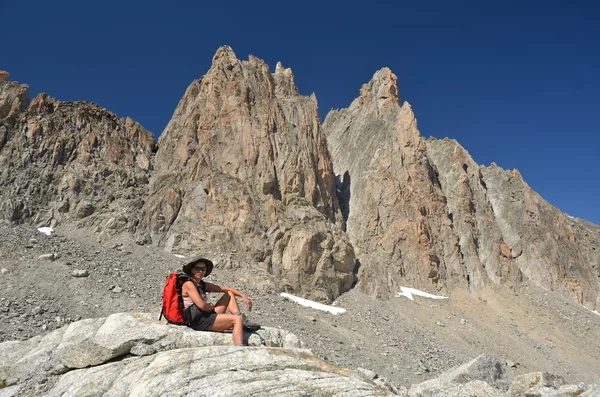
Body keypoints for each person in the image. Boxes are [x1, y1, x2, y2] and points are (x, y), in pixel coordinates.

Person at [181, 256, 260, 346]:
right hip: (198, 320)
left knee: (229, 294)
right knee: (236, 319)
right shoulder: (189, 284)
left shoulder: (202, 284)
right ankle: (239, 347)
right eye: (197, 268)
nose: (201, 271)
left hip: (205, 315)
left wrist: (243, 295)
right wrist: (210, 306)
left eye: (203, 269)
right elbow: (202, 306)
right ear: (192, 270)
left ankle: (240, 317)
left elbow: (225, 289)